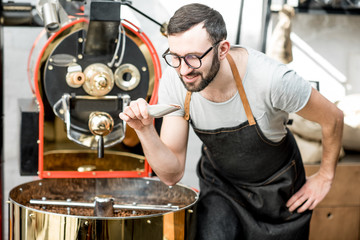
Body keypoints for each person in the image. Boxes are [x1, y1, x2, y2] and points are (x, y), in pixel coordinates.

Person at [119, 3, 344, 239]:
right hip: (222, 188)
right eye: (175, 57)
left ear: (223, 49)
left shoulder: (273, 80)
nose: (183, 70)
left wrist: (325, 176)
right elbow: (171, 174)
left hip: (278, 195)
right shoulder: (176, 81)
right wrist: (145, 130)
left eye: (193, 58)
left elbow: (333, 118)